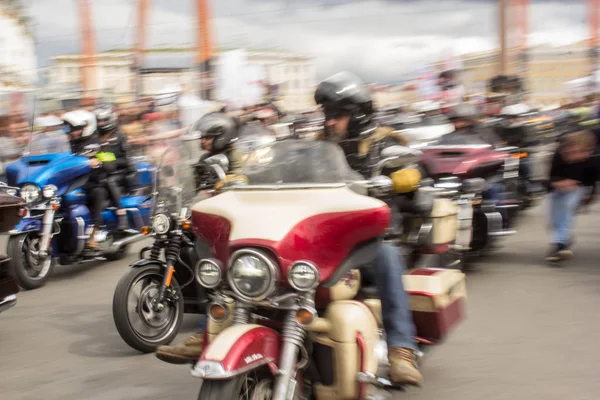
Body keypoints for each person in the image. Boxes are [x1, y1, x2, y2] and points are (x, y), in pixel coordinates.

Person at [312, 71, 422, 386]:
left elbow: (413, 171)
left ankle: (402, 350)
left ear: (359, 114)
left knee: (387, 256)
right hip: (327, 238)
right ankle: (215, 330)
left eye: (338, 115)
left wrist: (403, 177)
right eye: (327, 115)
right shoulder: (319, 146)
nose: (330, 122)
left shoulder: (388, 142)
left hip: (371, 241)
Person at [546, 129, 598, 262]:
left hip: (577, 188)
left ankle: (559, 245)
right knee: (554, 219)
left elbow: (593, 181)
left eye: (585, 153)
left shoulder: (591, 161)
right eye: (573, 152)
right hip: (557, 188)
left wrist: (589, 197)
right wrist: (559, 183)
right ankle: (563, 240)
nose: (582, 156)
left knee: (566, 209)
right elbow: (550, 178)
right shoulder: (558, 155)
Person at [61, 110, 104, 249]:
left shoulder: (93, 142)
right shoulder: (68, 142)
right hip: (71, 182)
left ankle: (93, 234)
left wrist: (92, 161)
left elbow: (97, 158)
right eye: (71, 129)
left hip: (90, 181)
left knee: (97, 193)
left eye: (75, 129)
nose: (72, 132)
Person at [94, 104, 131, 229]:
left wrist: (109, 160)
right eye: (99, 121)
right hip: (103, 171)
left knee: (110, 181)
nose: (101, 123)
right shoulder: (95, 137)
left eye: (104, 120)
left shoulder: (120, 136)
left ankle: (122, 214)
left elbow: (127, 161)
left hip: (121, 172)